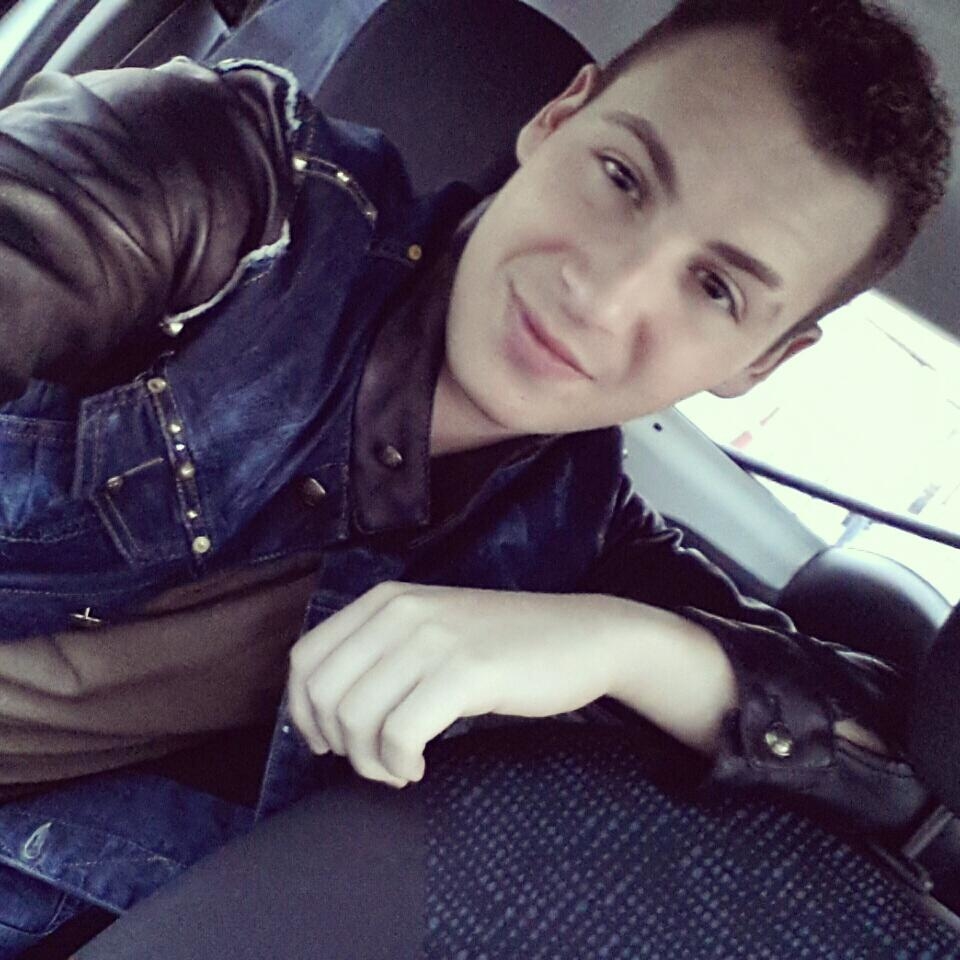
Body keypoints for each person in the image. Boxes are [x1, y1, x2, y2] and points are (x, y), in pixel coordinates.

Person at [0, 0, 952, 951]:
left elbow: (910, 774)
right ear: (558, 118)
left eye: (716, 288)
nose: (604, 296)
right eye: (622, 177)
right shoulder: (228, 182)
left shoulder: (574, 541)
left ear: (762, 362)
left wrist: (629, 646)